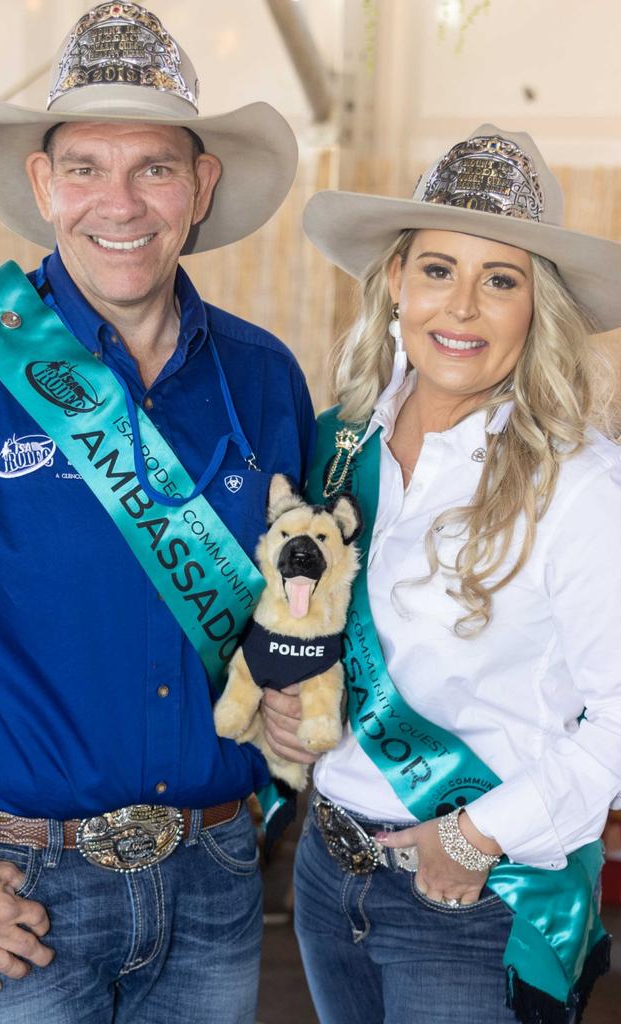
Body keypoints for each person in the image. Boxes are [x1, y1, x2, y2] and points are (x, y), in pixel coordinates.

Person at [0, 4, 314, 1022]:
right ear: (41, 186)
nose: (122, 202)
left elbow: (302, 600)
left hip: (217, 881)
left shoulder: (266, 381)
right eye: (86, 167)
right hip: (11, 891)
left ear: (201, 186)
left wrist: (295, 704)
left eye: (154, 167)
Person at [262, 124, 621, 1024]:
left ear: (537, 309)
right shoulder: (337, 443)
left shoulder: (578, 484)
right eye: (437, 270)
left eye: (501, 280)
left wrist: (472, 835)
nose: (461, 307)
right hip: (327, 867)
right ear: (394, 280)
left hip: (473, 897)